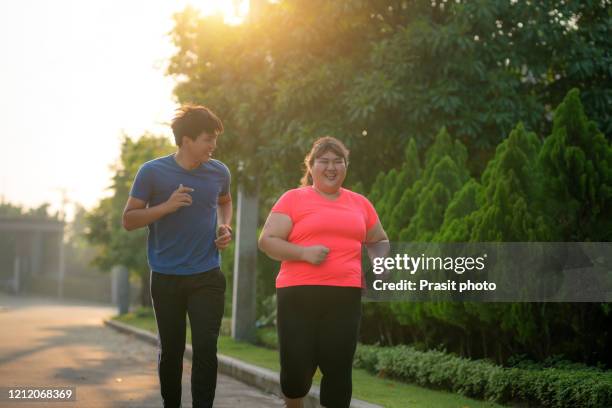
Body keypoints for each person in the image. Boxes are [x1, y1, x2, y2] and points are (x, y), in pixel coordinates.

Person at [258, 136, 389, 408]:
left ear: (346, 166)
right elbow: (267, 241)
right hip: (297, 295)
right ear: (311, 165)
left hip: (345, 296)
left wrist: (379, 265)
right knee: (296, 372)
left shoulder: (360, 204)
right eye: (324, 161)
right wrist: (303, 253)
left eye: (338, 161)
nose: (331, 167)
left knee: (339, 369)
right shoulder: (293, 199)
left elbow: (379, 240)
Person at [122, 105, 232, 408]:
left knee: (206, 350)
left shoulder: (219, 171)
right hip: (166, 275)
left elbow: (225, 201)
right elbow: (129, 219)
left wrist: (225, 226)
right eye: (208, 139)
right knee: (171, 351)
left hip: (207, 274)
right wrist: (166, 207)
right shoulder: (152, 172)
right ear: (186, 140)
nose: (213, 145)